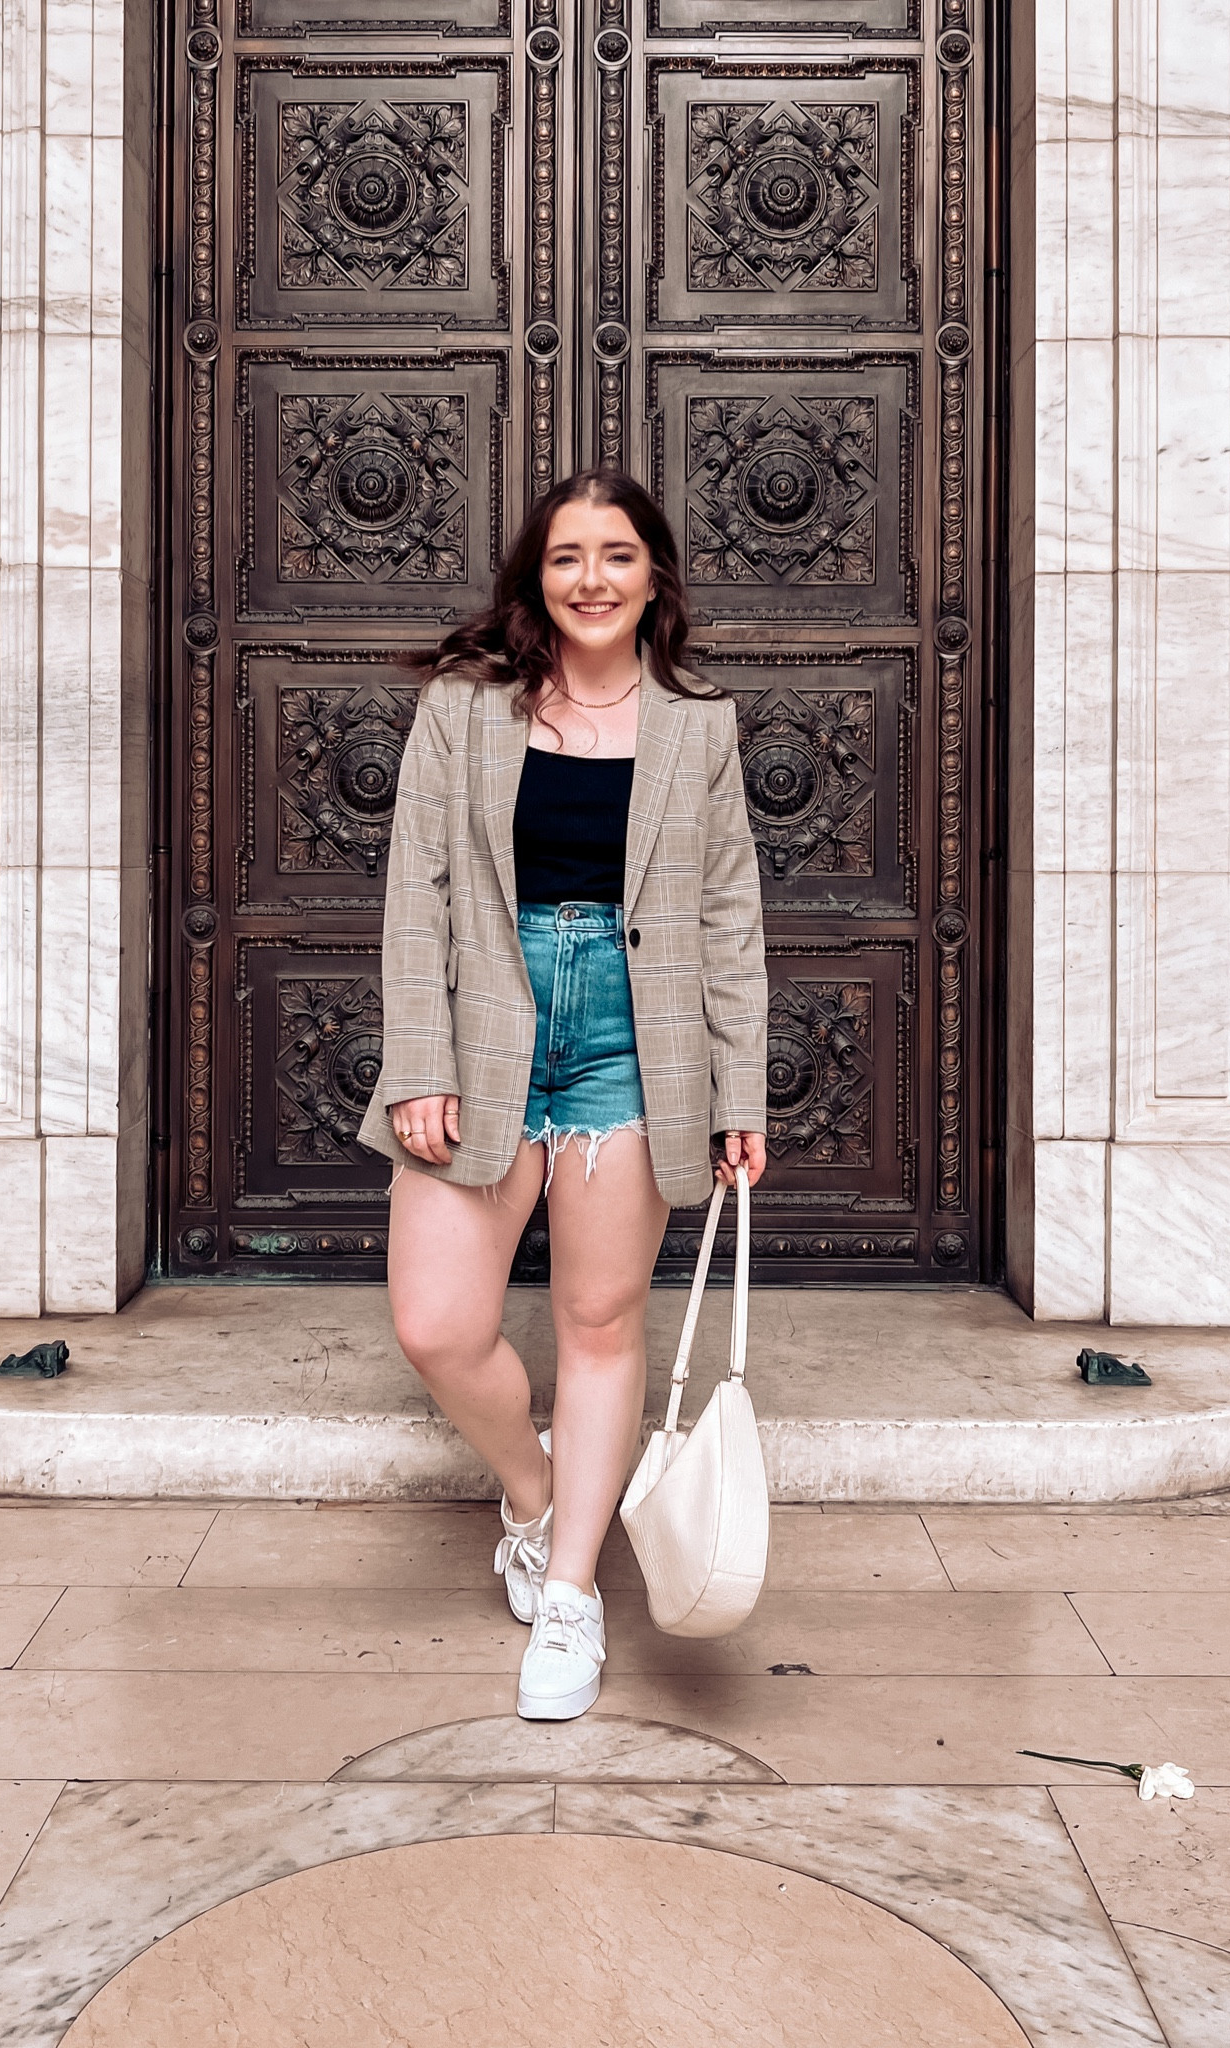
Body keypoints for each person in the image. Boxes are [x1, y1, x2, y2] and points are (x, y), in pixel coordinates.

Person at [357, 468, 768, 1721]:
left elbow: (728, 916)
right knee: (437, 1321)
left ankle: (575, 1594)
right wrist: (419, 1058)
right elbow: (414, 894)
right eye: (567, 557)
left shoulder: (700, 725)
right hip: (488, 1020)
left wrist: (735, 1084)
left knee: (599, 1323)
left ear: (655, 578)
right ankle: (534, 1496)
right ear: (538, 579)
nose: (592, 578)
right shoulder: (466, 710)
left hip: (634, 1045)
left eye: (618, 555)